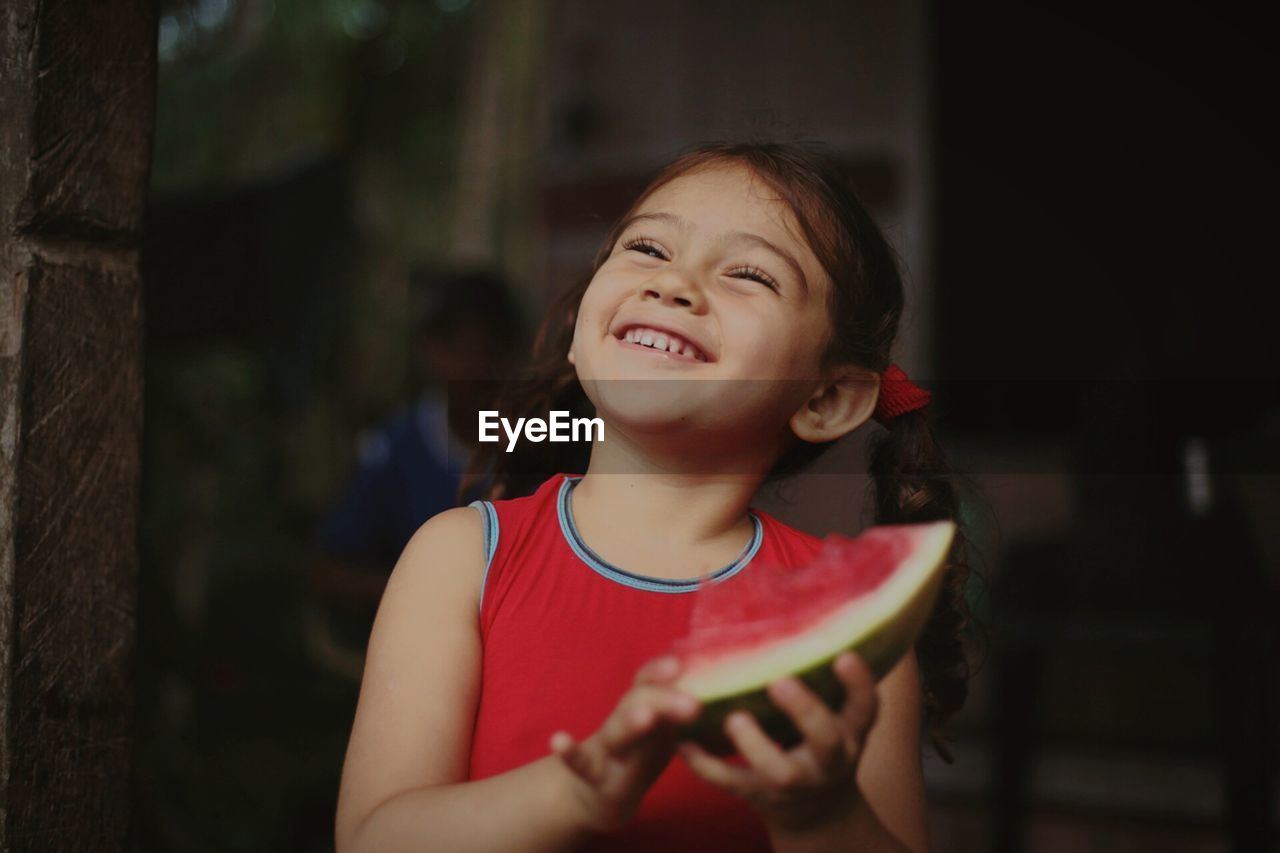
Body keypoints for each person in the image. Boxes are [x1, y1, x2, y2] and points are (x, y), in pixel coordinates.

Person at [334, 141, 974, 852]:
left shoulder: (857, 634)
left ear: (825, 398)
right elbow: (373, 838)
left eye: (748, 274)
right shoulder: (456, 558)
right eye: (646, 247)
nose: (675, 284)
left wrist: (823, 816)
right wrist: (573, 793)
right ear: (580, 329)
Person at [308, 268, 521, 673]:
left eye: (495, 352)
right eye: (465, 351)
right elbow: (329, 570)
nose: (481, 370)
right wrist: (427, 589)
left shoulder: (550, 443)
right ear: (431, 352)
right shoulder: (393, 449)